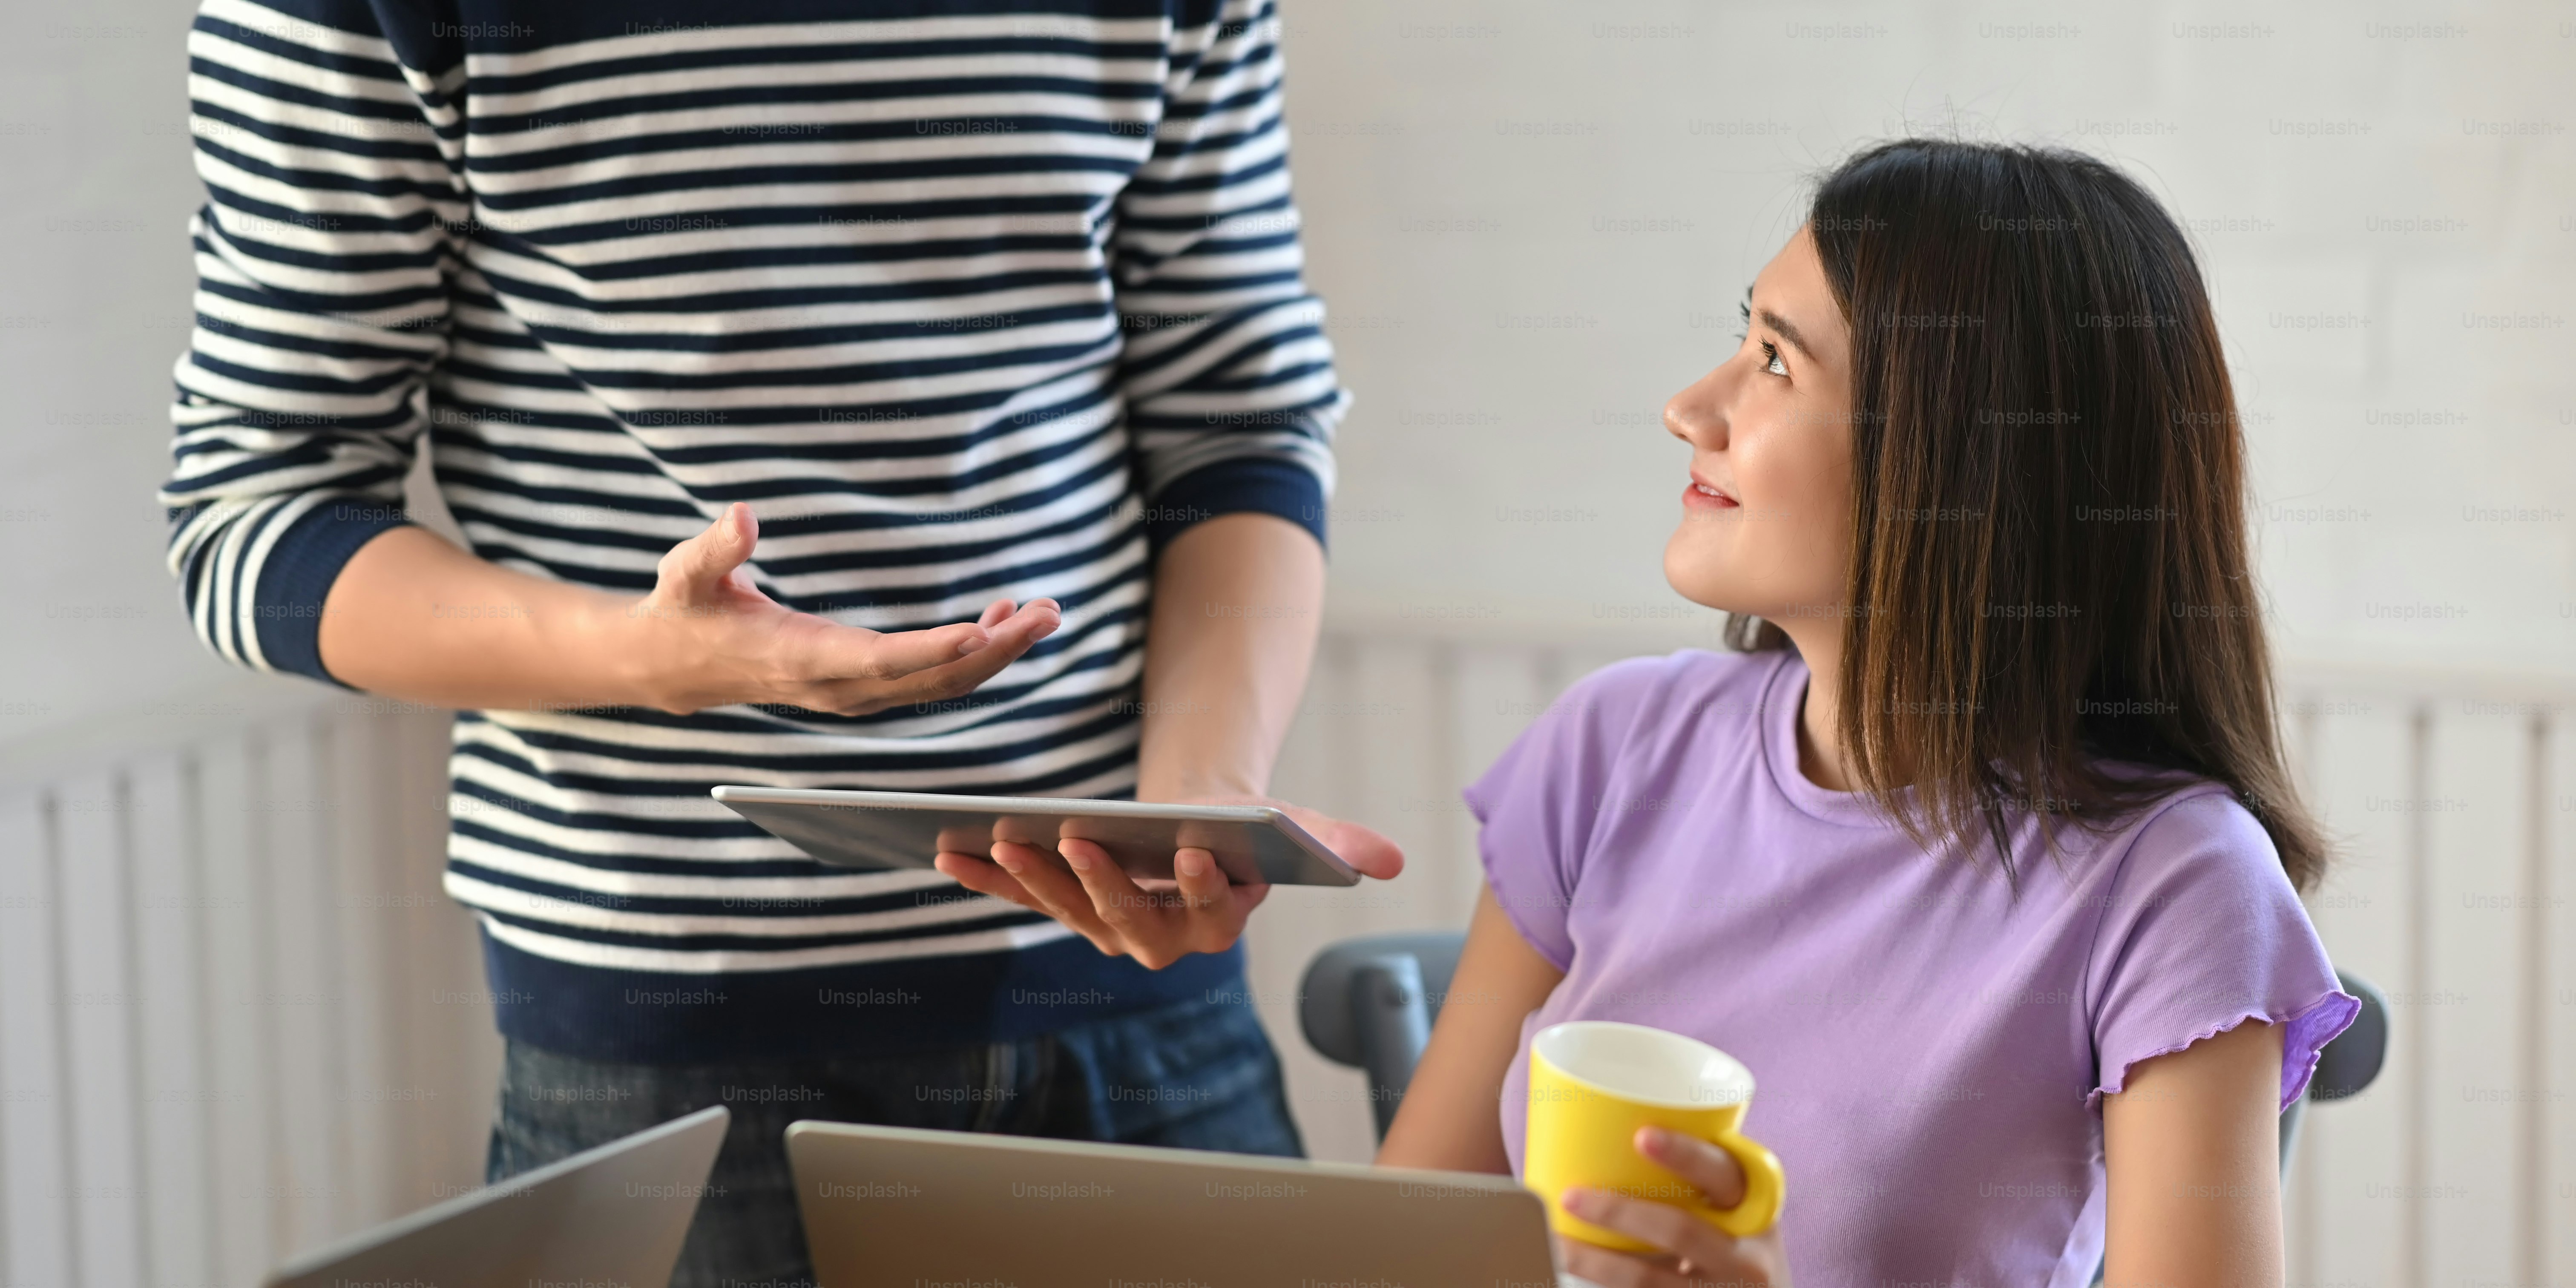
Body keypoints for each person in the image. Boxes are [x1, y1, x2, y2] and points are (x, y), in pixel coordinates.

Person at [158, 0, 1396, 1282]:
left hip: (1133, 983)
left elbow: (1239, 425)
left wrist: (1205, 793)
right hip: (668, 1042)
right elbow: (257, 522)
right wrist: (662, 660)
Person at [1374, 139, 2358, 1288]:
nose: (1693, 408)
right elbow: (1402, 1247)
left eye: (1778, 367)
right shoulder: (1610, 749)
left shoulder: (2176, 882)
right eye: (1745, 342)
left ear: (1965, 458)